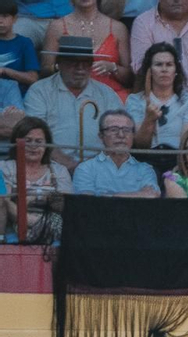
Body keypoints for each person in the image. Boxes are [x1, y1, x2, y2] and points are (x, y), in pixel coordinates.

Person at [21, 34, 120, 167]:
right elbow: (35, 133)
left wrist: (96, 166)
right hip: (51, 165)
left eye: (86, 63)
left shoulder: (106, 94)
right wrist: (68, 164)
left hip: (101, 166)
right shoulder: (39, 91)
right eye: (73, 62)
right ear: (59, 63)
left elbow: (119, 133)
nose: (80, 68)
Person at [1, 115, 70, 242]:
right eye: (28, 141)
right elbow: (5, 203)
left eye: (39, 141)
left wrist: (29, 200)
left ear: (47, 145)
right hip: (14, 227)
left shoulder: (59, 170)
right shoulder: (4, 168)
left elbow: (65, 206)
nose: (33, 146)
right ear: (17, 143)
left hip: (52, 227)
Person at [126, 42, 188, 159]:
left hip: (178, 160)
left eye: (169, 64)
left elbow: (186, 143)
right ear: (149, 71)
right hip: (147, 160)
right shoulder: (134, 101)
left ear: (176, 70)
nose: (164, 69)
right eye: (158, 64)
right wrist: (149, 120)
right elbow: (140, 147)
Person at [40, 0, 129, 95]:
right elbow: (45, 70)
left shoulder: (118, 28)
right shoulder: (57, 27)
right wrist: (63, 67)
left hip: (110, 93)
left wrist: (112, 67)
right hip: (67, 93)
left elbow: (130, 77)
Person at [71, 107, 159, 195]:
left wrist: (104, 196)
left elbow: (151, 195)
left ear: (133, 136)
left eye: (126, 130)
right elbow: (86, 203)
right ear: (101, 136)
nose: (121, 135)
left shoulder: (145, 170)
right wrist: (137, 195)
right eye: (113, 130)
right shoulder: (85, 169)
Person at [1, 0, 42, 97]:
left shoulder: (24, 43)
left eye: (5, 16)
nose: (0, 21)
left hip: (18, 98)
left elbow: (33, 78)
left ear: (15, 19)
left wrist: (5, 71)